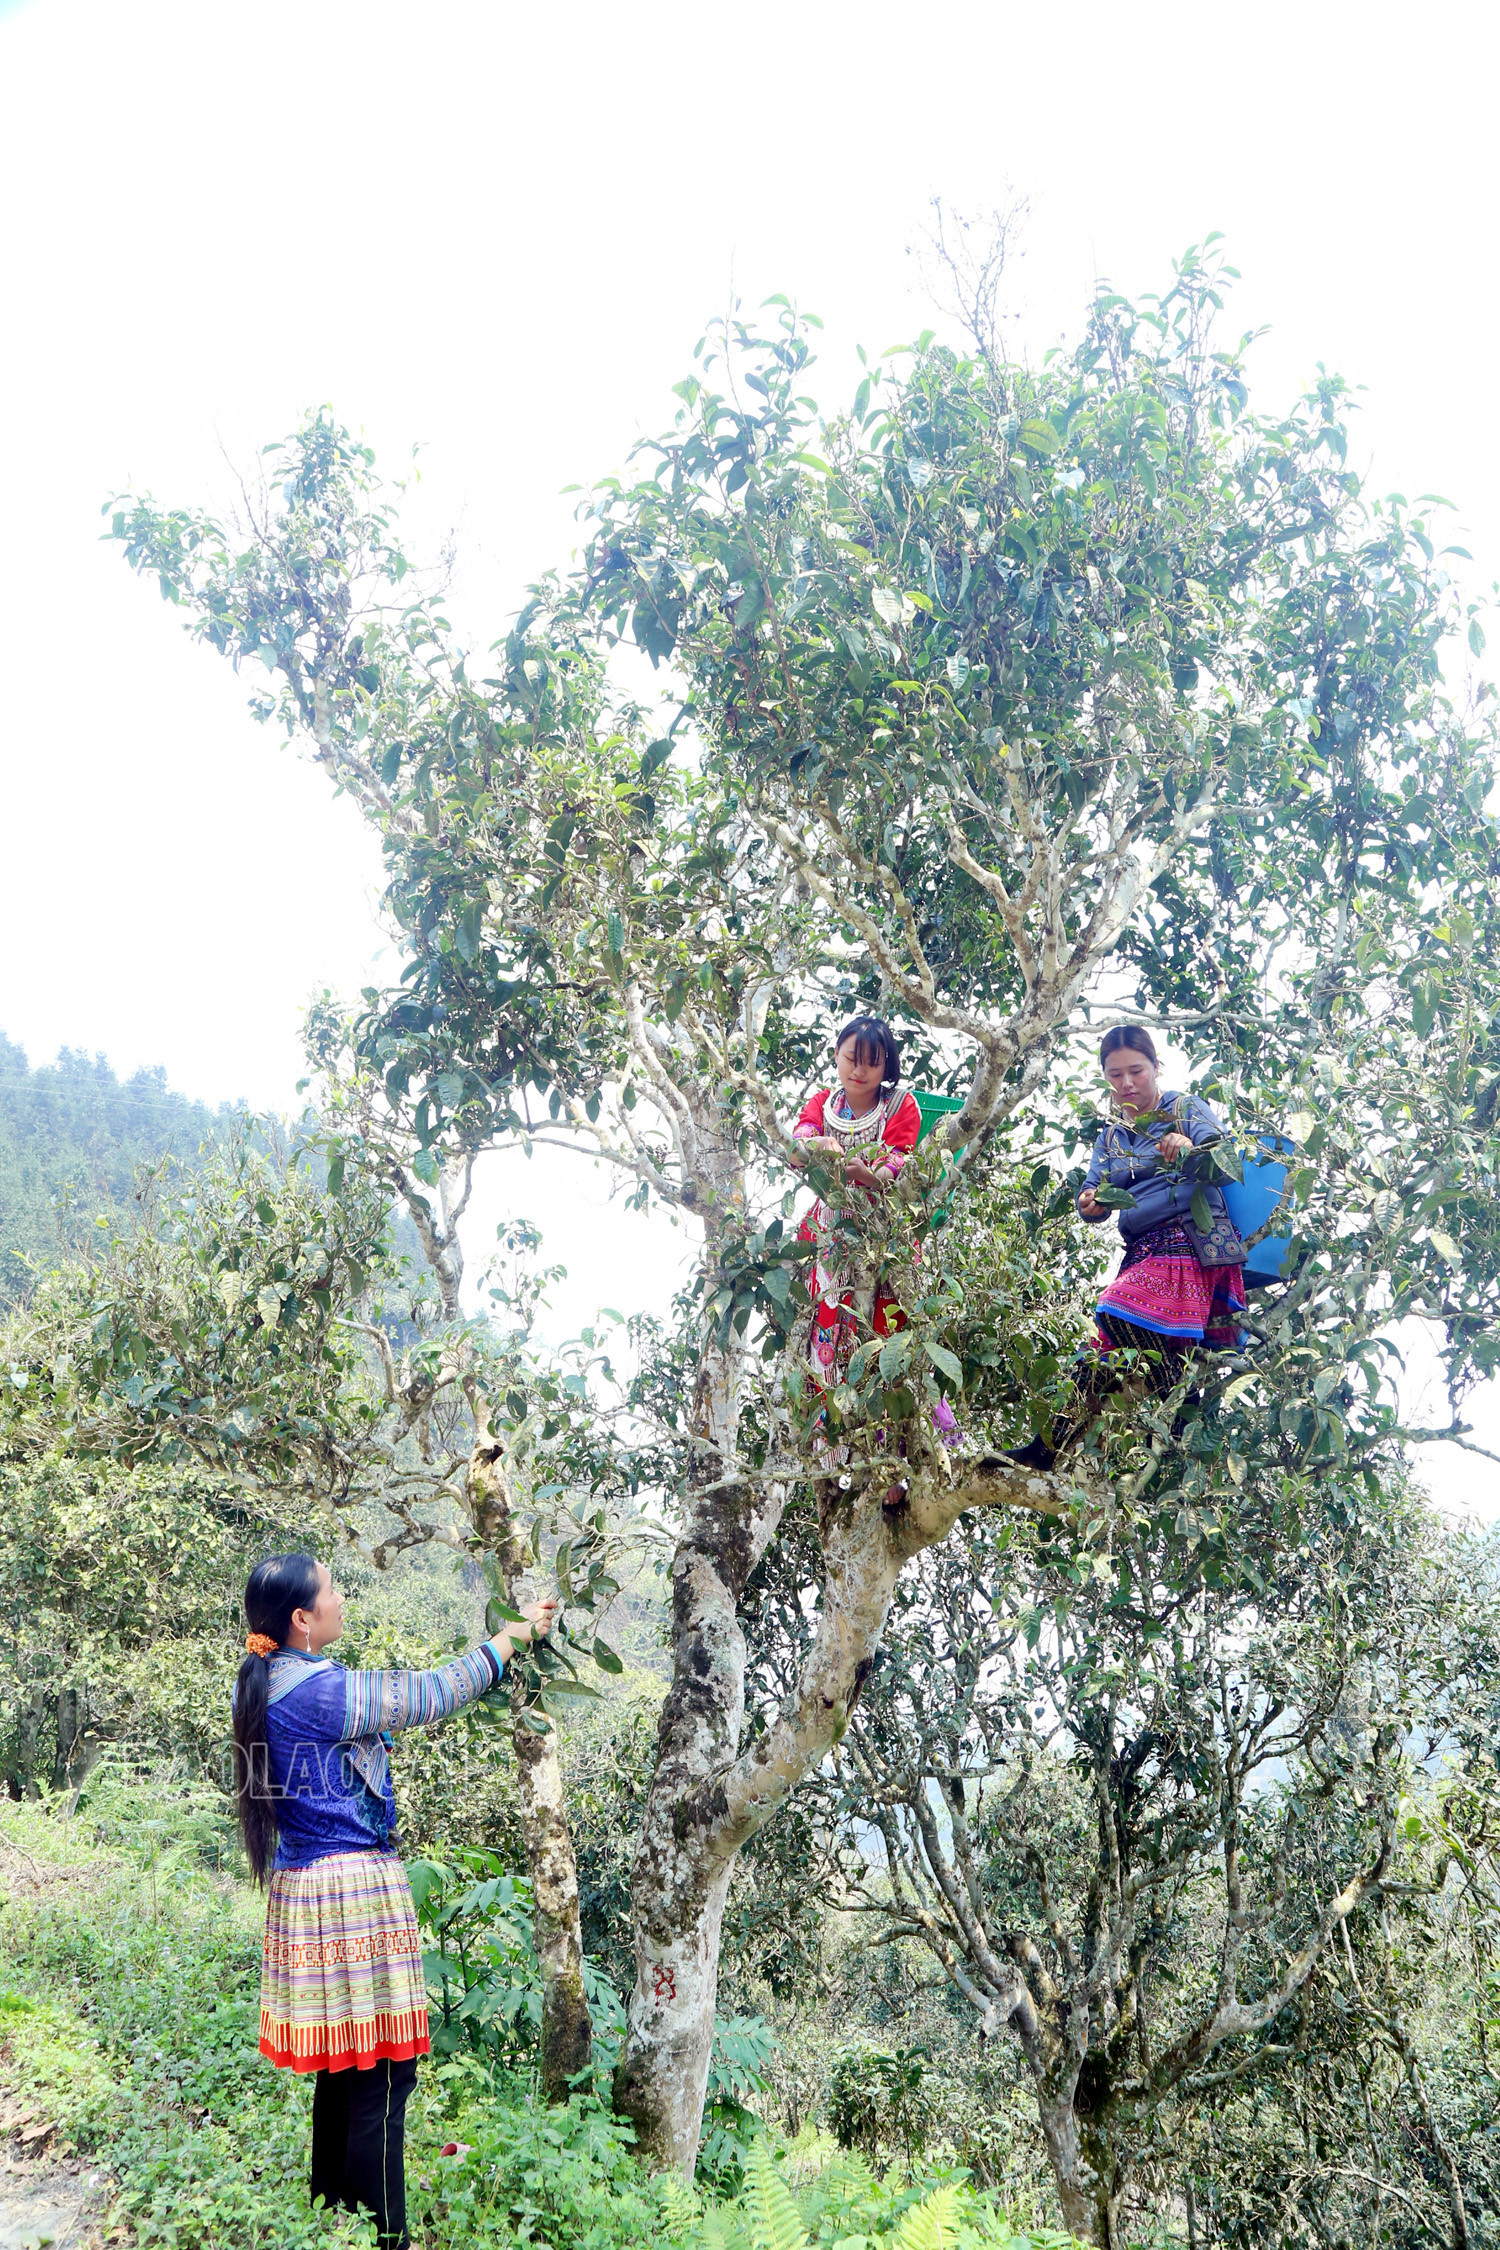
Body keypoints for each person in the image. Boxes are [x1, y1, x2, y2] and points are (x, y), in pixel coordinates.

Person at [231, 1553, 557, 2250]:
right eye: (332, 1589)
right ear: (301, 1619)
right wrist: (513, 1639)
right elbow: (428, 1694)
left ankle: (328, 2218)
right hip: (352, 1892)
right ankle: (390, 2239)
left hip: (305, 1888)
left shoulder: (266, 1684)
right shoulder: (317, 1692)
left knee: (344, 2065)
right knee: (383, 2072)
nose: (342, 1597)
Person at [1010, 1027, 1246, 1470]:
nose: (1127, 1084)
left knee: (1114, 1308)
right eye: (1115, 1075)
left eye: (1136, 1071)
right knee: (1096, 1364)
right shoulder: (1111, 1136)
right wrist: (1090, 1203)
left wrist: (1191, 1147)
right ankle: (1046, 1449)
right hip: (1142, 1254)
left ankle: (1180, 1398)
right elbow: (1092, 1194)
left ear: (1157, 1068)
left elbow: (1226, 1162)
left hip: (1190, 1241)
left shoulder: (1184, 1108)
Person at [791, 1015, 955, 1503]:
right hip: (830, 1241)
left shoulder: (900, 1104)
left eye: (871, 1062)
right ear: (837, 1057)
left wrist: (868, 1172)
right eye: (850, 1059)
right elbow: (798, 1143)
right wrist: (818, 1143)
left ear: (886, 1067)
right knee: (831, 1341)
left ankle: (896, 1469)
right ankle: (837, 1454)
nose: (859, 1071)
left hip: (884, 1240)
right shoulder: (823, 1103)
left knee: (888, 1342)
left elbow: (902, 1163)